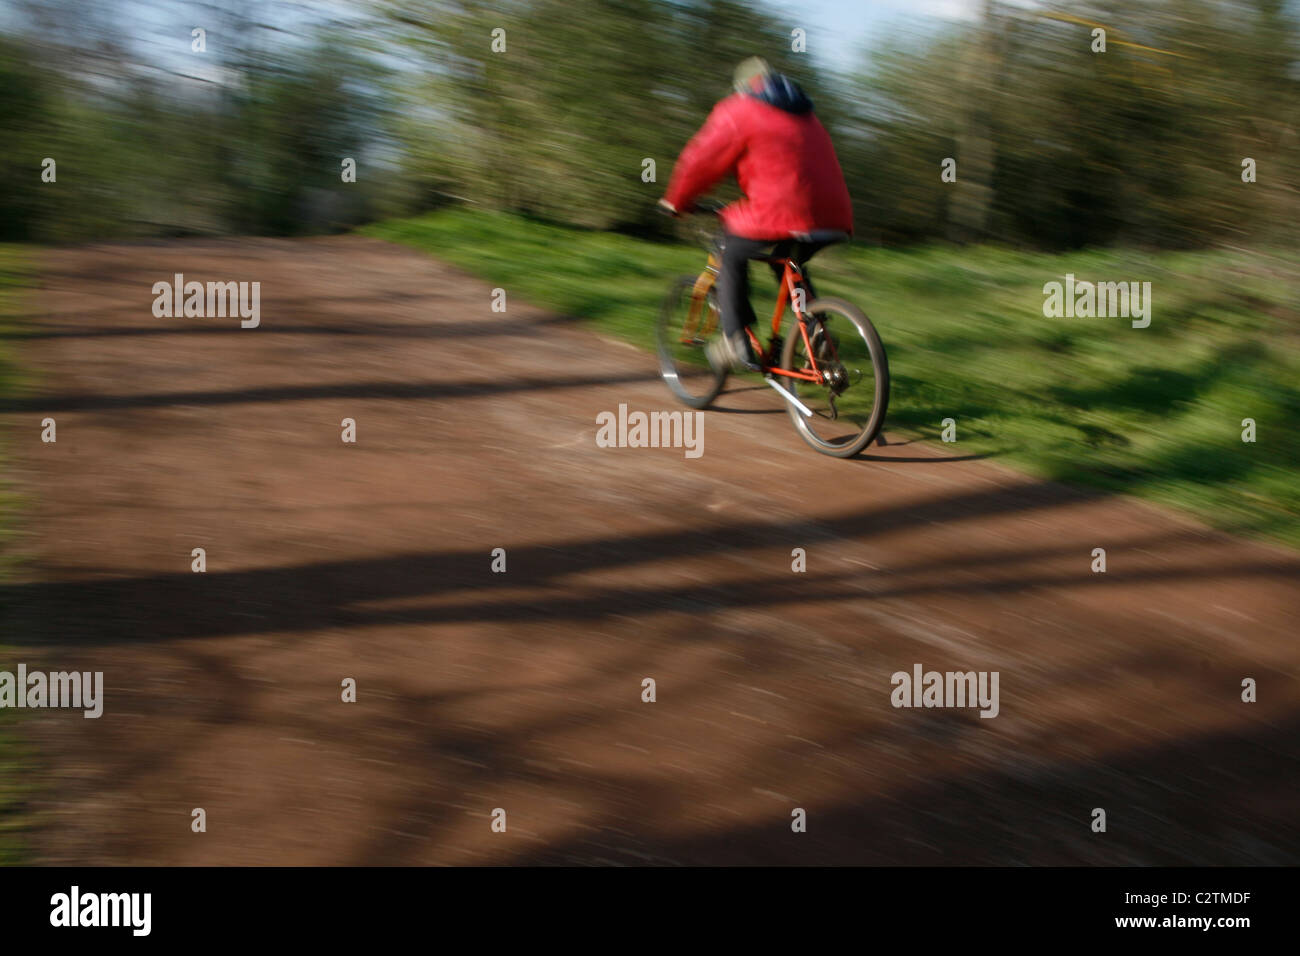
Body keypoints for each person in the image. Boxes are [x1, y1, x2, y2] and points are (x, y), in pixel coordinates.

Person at [659, 57, 853, 373]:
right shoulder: (808, 116)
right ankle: (817, 328)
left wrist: (676, 201)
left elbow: (700, 161)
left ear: (743, 87)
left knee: (731, 249)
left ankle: (735, 339)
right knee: (788, 264)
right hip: (833, 214)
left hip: (782, 211)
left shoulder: (739, 110)